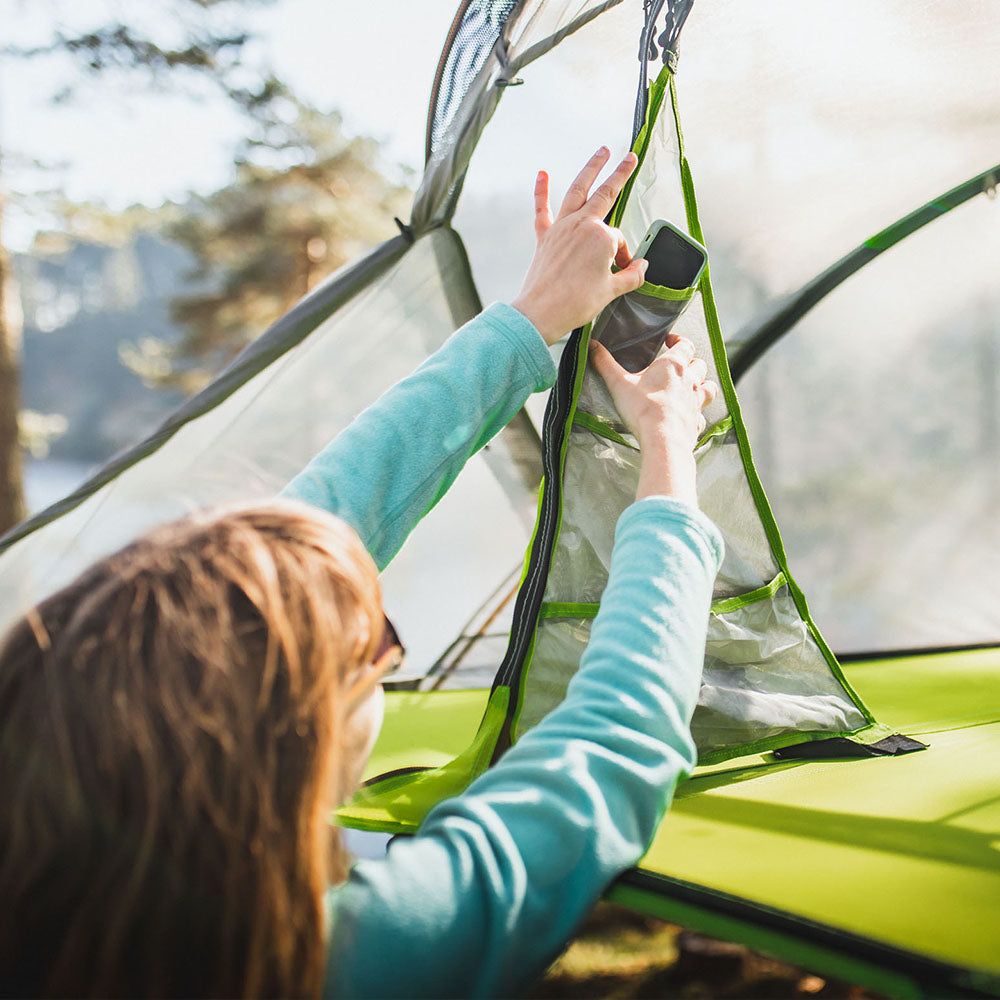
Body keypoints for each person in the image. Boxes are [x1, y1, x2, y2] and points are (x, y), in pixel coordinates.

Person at [0, 147, 722, 999]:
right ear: (296, 738)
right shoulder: (348, 961)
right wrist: (669, 445)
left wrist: (533, 320)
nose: (385, 651)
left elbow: (315, 533)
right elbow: (614, 743)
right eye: (376, 648)